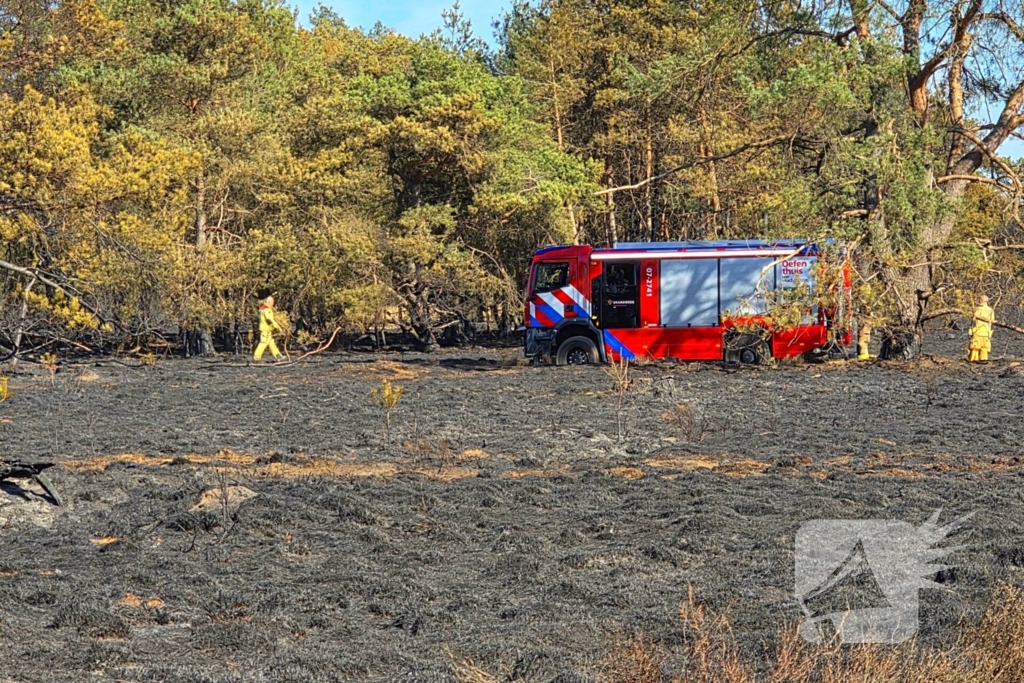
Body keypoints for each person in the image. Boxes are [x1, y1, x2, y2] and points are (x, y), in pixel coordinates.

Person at [254, 295, 285, 362]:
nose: (273, 304)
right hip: (266, 329)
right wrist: (277, 327)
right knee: (263, 343)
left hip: (265, 329)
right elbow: (269, 319)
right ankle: (256, 357)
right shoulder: (267, 309)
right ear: (269, 302)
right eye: (272, 302)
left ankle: (278, 356)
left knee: (271, 343)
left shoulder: (261, 308)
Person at [968, 295, 995, 362]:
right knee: (984, 347)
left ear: (981, 300)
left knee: (974, 346)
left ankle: (974, 359)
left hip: (977, 331)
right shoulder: (990, 310)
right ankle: (983, 359)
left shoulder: (977, 309)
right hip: (986, 333)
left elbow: (973, 319)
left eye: (979, 299)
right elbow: (992, 321)